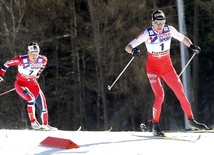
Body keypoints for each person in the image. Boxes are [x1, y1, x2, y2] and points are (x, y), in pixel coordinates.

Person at [125, 10, 211, 136]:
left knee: (180, 92)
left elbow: (183, 38)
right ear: (152, 22)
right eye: (157, 22)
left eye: (162, 22)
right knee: (160, 95)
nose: (160, 25)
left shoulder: (169, 30)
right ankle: (155, 125)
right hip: (153, 69)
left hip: (167, 68)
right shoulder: (147, 33)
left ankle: (191, 121)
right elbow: (128, 46)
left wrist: (192, 46)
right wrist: (133, 51)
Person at [0, 42, 57, 131]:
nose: (35, 55)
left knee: (43, 105)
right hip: (20, 84)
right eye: (32, 53)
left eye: (36, 53)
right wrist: (1, 75)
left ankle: (45, 126)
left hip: (33, 84)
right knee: (31, 99)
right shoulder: (21, 59)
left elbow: (42, 67)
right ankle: (33, 122)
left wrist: (37, 73)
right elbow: (7, 64)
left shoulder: (43, 59)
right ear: (28, 53)